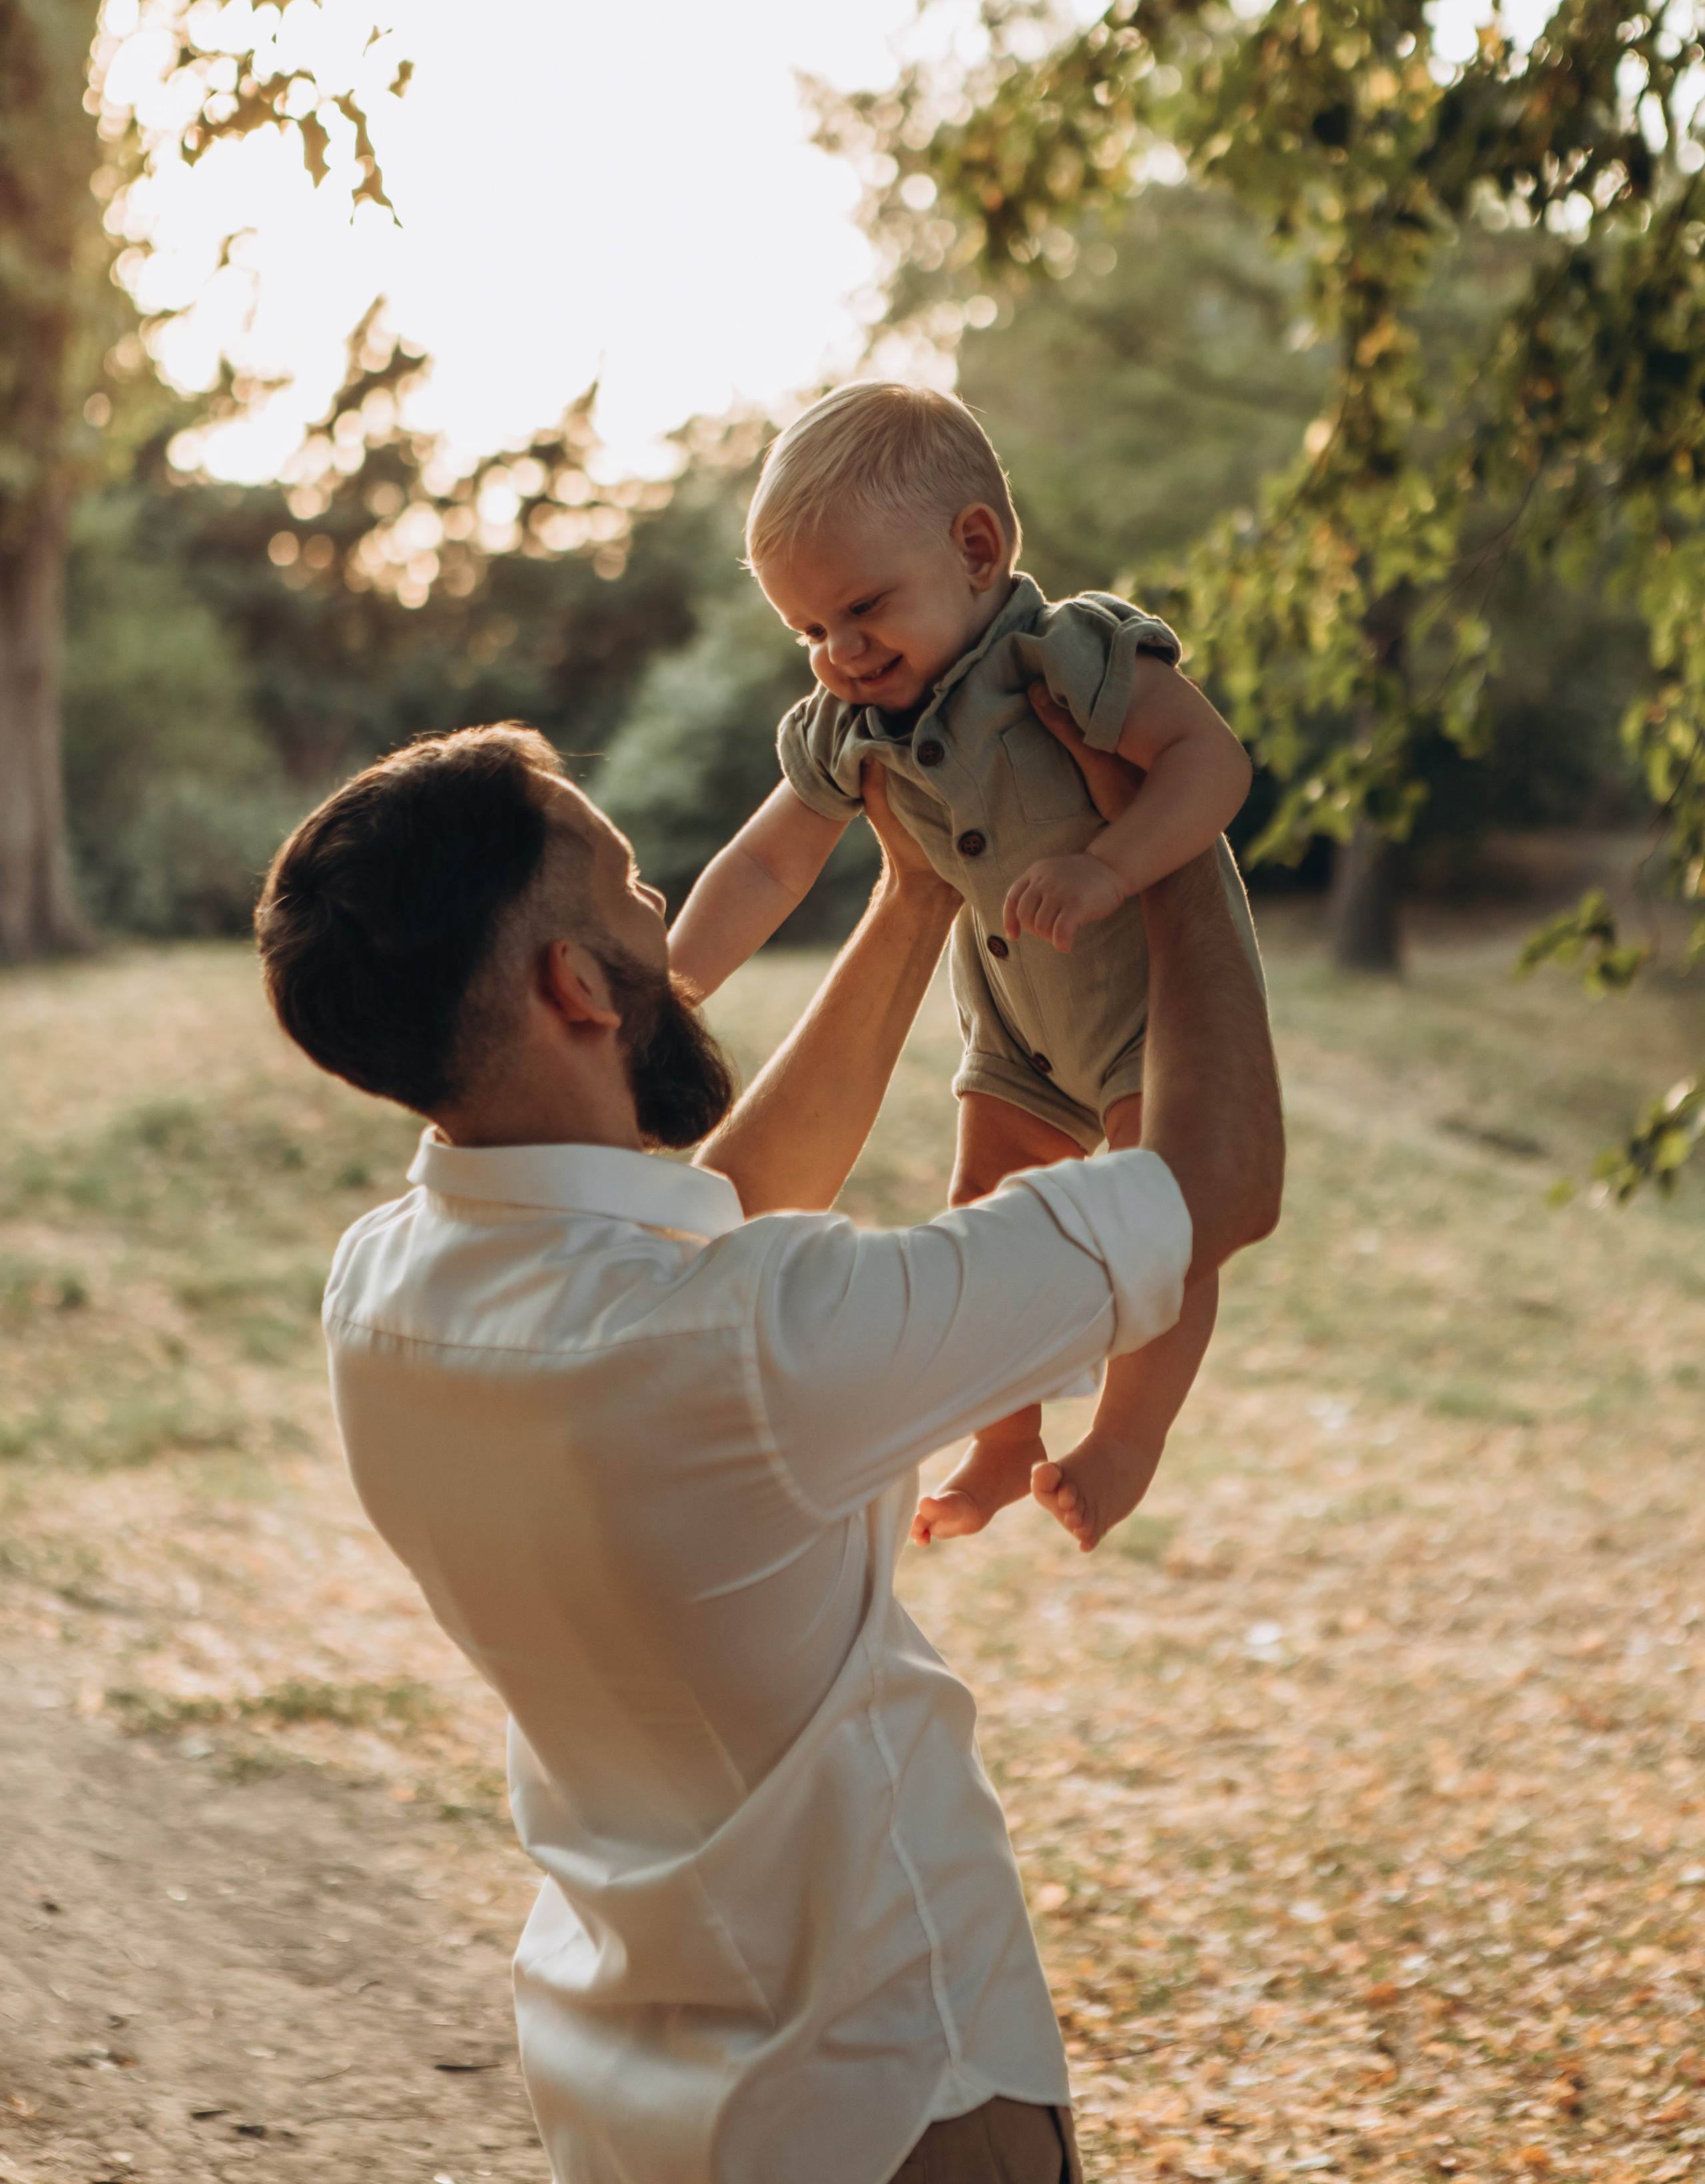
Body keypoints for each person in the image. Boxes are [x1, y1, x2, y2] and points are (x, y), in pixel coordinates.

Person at [254, 715, 1281, 2184]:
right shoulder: (743, 1348)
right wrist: (1172, 836)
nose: (663, 908)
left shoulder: (382, 1296)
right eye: (630, 887)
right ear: (573, 984)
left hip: (630, 2101)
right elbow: (1215, 1185)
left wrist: (912, 899)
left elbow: (704, 1244)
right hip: (895, 2100)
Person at [669, 381, 1265, 1551]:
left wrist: (1110, 866)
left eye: (862, 609)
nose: (839, 654)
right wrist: (667, 988)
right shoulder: (852, 727)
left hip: (1150, 1007)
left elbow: (1213, 763)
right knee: (982, 1215)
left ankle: (1128, 1440)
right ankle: (1003, 1438)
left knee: (1167, 1214)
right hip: (1020, 1027)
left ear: (978, 551)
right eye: (808, 632)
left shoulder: (1072, 653)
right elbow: (766, 867)